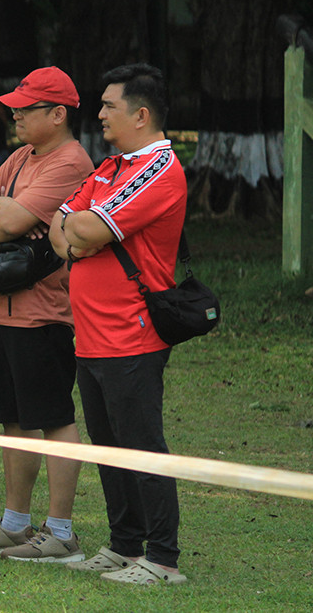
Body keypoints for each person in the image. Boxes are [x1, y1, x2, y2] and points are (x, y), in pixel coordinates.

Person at [0, 66, 94, 562]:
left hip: (44, 312)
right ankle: (14, 525)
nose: (14, 115)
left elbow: (0, 219)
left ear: (57, 114)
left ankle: (61, 531)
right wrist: (0, 214)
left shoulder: (70, 162)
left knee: (52, 417)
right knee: (12, 419)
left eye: (25, 109)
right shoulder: (20, 157)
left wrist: (0, 212)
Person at [49, 63, 187, 585]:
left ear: (142, 114)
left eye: (109, 105)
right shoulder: (110, 167)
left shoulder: (159, 168)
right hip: (91, 337)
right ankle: (125, 543)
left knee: (142, 446)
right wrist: (80, 232)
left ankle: (163, 558)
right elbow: (61, 230)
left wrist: (82, 231)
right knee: (108, 446)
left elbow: (85, 226)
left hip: (133, 335)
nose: (100, 113)